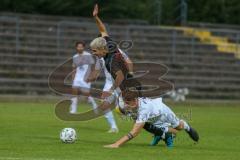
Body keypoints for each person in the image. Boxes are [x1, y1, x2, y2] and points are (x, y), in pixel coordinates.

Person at [104, 90, 199, 148]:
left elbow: (135, 132)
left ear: (135, 101)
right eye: (126, 103)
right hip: (153, 116)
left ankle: (187, 127)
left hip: (164, 112)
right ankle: (164, 135)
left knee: (178, 127)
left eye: (128, 103)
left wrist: (117, 144)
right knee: (146, 125)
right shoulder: (134, 103)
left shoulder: (144, 110)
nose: (126, 105)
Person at [70, 41, 118, 133]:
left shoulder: (115, 56)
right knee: (104, 104)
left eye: (95, 51)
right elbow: (96, 70)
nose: (93, 53)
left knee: (125, 107)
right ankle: (114, 127)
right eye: (93, 51)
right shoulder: (100, 59)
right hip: (108, 83)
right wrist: (92, 78)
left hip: (120, 82)